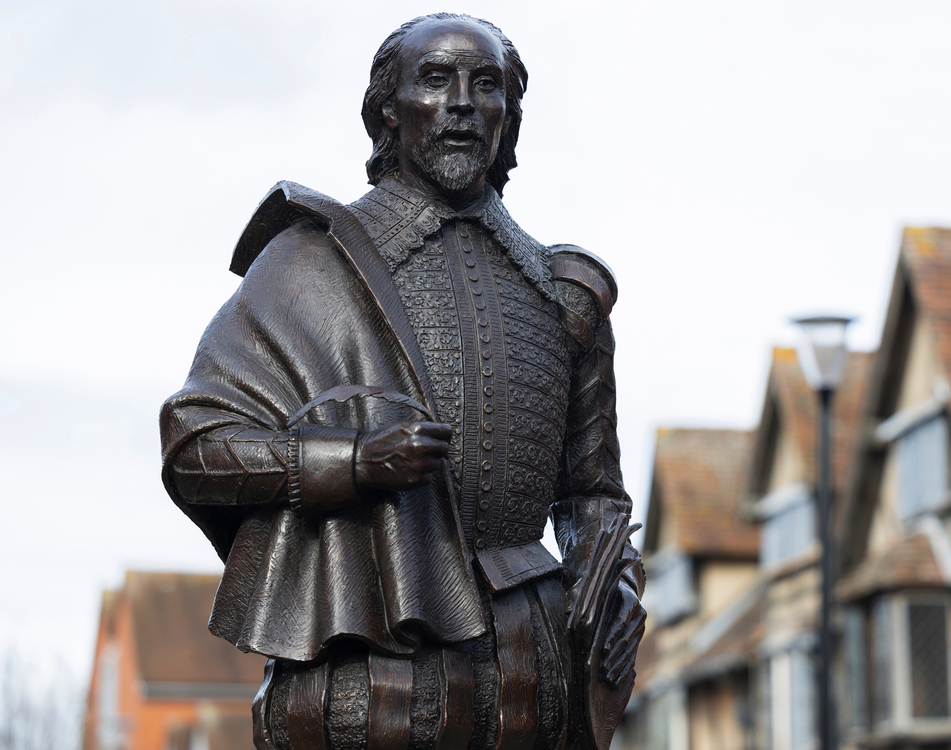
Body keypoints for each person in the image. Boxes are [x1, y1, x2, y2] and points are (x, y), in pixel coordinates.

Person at [159, 13, 644, 750]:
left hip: (533, 674)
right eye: (435, 79)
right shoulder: (306, 267)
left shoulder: (563, 294)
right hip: (367, 665)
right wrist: (347, 463)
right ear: (388, 110)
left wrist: (618, 581)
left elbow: (593, 494)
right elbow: (196, 446)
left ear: (508, 115)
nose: (461, 102)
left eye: (486, 85)